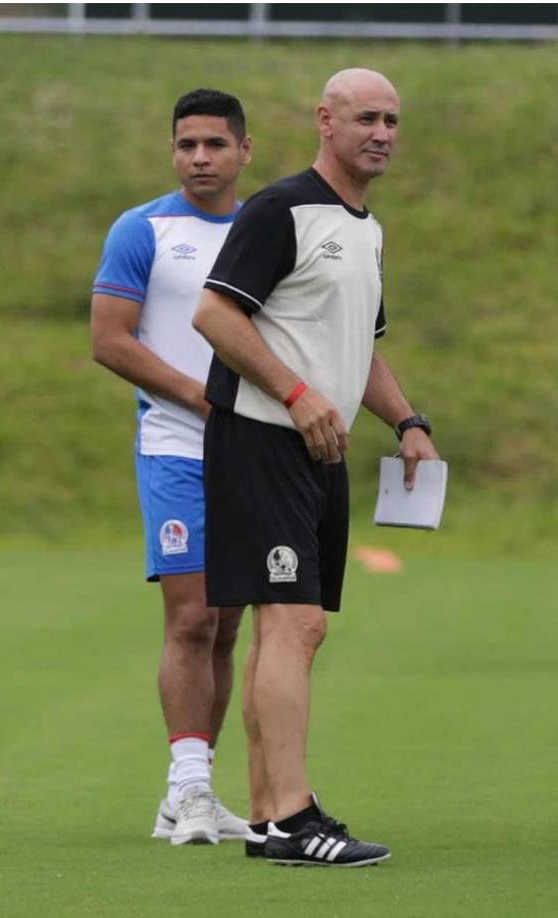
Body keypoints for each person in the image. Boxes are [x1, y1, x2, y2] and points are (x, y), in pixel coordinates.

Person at [192, 68, 438, 869]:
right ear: (324, 122)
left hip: (318, 448)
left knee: (297, 627)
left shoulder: (365, 228)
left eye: (392, 120)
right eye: (365, 117)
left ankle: (270, 816)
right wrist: (296, 394)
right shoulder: (280, 209)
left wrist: (406, 421)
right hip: (263, 437)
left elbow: (358, 348)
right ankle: (294, 818)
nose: (381, 132)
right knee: (292, 624)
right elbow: (214, 314)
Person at [90, 88, 254, 847]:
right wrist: (201, 399)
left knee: (226, 625)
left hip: (253, 455)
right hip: (175, 446)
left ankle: (191, 792)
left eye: (214, 144)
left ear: (244, 151)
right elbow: (110, 340)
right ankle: (187, 790)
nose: (199, 157)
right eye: (186, 144)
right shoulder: (142, 229)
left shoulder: (264, 231)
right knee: (191, 616)